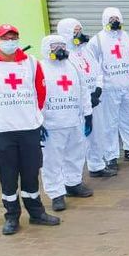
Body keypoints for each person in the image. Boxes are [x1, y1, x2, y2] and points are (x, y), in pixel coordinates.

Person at [0, 24, 60, 234]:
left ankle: (36, 213)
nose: (10, 42)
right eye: (5, 38)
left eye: (13, 37)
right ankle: (11, 217)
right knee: (8, 176)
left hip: (29, 128)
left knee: (30, 173)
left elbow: (41, 91)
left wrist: (33, 114)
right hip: (1, 130)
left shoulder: (31, 63)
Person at [37, 34, 93, 212]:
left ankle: (73, 183)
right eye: (55, 46)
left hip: (74, 120)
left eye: (62, 45)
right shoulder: (40, 68)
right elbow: (34, 95)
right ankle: (56, 193)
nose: (60, 49)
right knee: (51, 161)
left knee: (76, 154)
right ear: (46, 48)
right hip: (51, 124)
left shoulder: (72, 66)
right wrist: (37, 121)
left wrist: (88, 113)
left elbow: (83, 89)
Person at [88, 7, 129, 172]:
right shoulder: (97, 40)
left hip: (128, 85)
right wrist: (99, 85)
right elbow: (93, 65)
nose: (114, 21)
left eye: (117, 18)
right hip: (109, 88)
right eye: (111, 18)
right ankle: (111, 156)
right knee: (110, 124)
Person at [55, 18, 111, 177]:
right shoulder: (63, 56)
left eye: (80, 30)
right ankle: (74, 177)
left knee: (97, 134)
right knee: (79, 141)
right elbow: (66, 82)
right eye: (75, 31)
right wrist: (84, 98)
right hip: (78, 104)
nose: (79, 33)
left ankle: (97, 165)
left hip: (95, 99)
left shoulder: (86, 50)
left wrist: (98, 90)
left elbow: (98, 71)